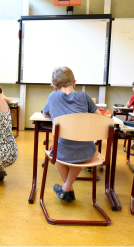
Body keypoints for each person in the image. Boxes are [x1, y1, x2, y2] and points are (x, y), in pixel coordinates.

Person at [43, 66, 101, 202]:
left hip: (61, 152)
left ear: (54, 86)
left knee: (56, 150)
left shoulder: (52, 97)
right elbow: (99, 117)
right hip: (87, 153)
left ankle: (66, 188)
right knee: (77, 146)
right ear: (74, 82)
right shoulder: (85, 97)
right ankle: (67, 188)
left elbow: (45, 114)